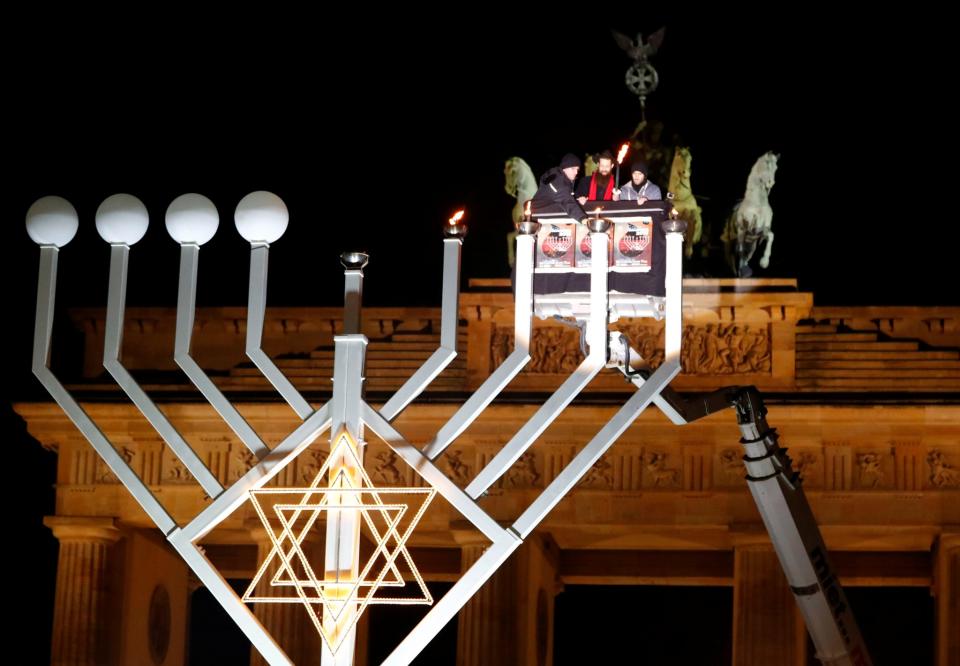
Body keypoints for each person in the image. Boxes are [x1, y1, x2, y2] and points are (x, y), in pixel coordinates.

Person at [531, 153, 589, 222]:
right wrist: (583, 218)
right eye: (573, 168)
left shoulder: (565, 180)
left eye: (577, 169)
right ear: (564, 168)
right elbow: (566, 200)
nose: (576, 172)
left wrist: (576, 200)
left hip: (547, 215)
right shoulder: (557, 181)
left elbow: (562, 198)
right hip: (538, 217)